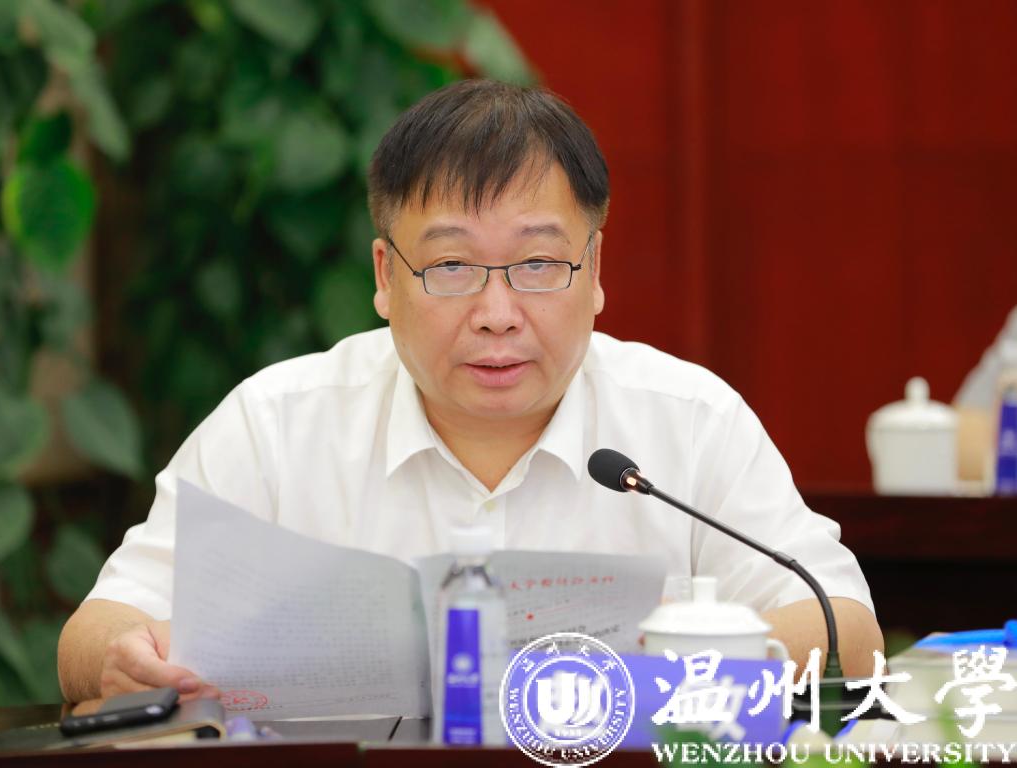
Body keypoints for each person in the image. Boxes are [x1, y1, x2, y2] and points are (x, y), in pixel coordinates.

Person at [57, 79, 883, 704]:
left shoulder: (688, 422)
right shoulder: (275, 425)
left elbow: (846, 626)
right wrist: (123, 658)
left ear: (595, 269)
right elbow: (96, 631)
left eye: (538, 264)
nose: (497, 313)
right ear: (385, 276)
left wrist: (673, 662)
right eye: (451, 265)